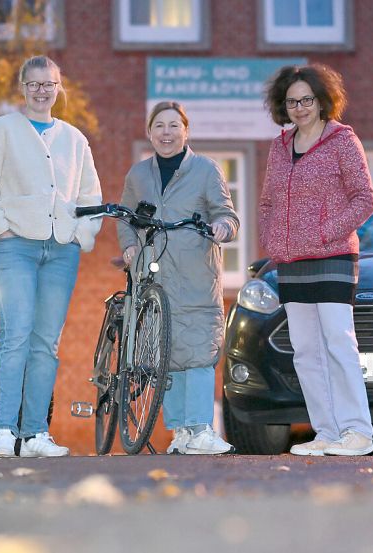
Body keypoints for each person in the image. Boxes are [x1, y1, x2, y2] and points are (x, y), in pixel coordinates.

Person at [0, 55, 102, 458]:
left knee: (47, 343)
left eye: (50, 83)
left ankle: (36, 434)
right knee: (16, 336)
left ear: (60, 88)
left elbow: (90, 194)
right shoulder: (2, 130)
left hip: (61, 250)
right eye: (35, 83)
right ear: (23, 87)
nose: (43, 90)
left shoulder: (75, 139)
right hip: (14, 248)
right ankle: (5, 432)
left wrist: (81, 235)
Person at [258, 64, 373, 456]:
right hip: (292, 261)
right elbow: (268, 201)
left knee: (338, 343)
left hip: (334, 256)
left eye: (307, 99)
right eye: (292, 101)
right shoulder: (279, 146)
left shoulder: (343, 141)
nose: (300, 107)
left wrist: (326, 232)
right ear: (283, 105)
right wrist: (271, 238)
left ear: (322, 100)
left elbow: (364, 198)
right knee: (306, 350)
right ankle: (326, 432)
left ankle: (357, 432)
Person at [119, 101, 239, 455]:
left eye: (174, 126)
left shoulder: (205, 169)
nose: (166, 133)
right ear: (149, 132)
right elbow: (126, 218)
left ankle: (201, 427)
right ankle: (181, 433)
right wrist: (128, 248)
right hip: (153, 274)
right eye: (159, 126)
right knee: (164, 351)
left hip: (196, 275)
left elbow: (228, 216)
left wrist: (221, 228)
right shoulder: (138, 175)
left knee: (200, 349)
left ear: (186, 131)